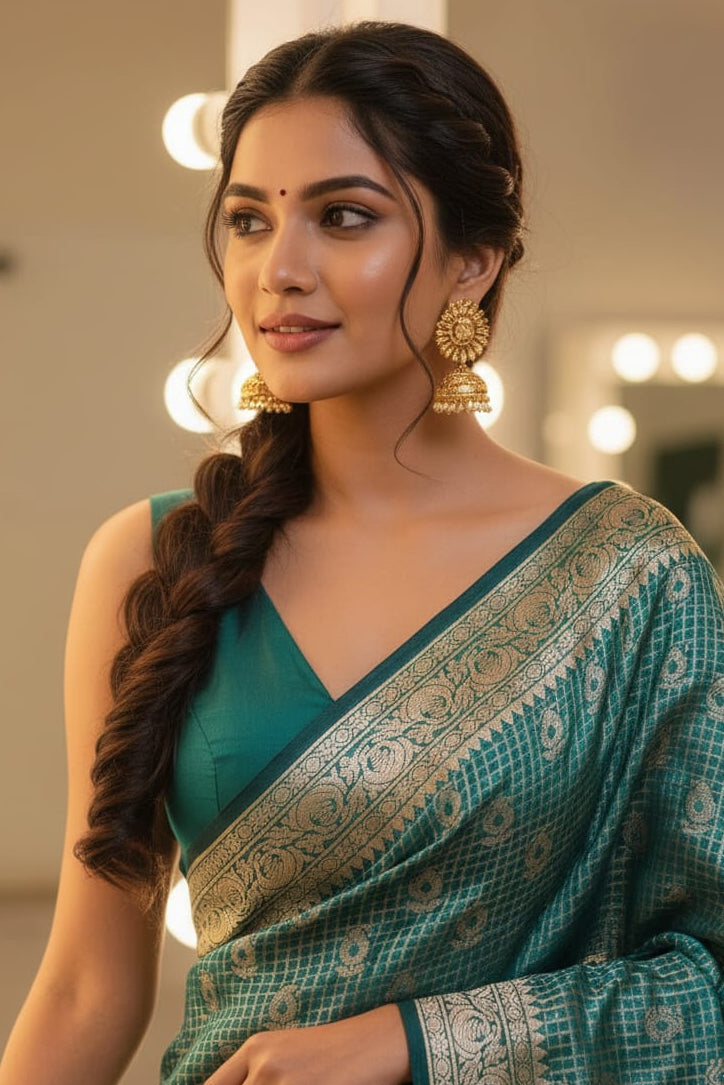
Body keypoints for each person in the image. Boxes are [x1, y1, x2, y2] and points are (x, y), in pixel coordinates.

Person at [2, 20, 723, 1085]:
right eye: (248, 221)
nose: (278, 269)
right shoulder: (158, 558)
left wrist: (412, 1041)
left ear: (472, 262)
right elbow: (86, 986)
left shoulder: (626, 573)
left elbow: (704, 980)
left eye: (344, 216)